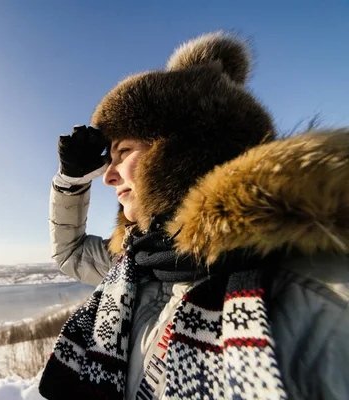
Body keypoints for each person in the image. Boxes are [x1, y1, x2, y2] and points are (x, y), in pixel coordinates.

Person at [38, 32, 348, 400]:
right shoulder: (139, 264)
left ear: (179, 154)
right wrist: (70, 182)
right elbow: (69, 254)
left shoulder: (318, 298)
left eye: (123, 152)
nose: (108, 175)